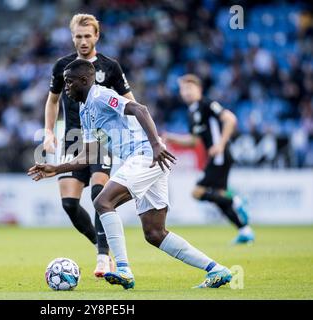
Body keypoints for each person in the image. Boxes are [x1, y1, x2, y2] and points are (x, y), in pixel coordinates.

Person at [29, 60, 233, 289]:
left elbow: (139, 109)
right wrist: (56, 168)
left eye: (69, 82)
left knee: (103, 201)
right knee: (155, 233)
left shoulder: (101, 95)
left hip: (146, 155)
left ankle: (123, 269)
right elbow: (89, 154)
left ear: (85, 80)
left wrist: (156, 145)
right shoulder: (85, 109)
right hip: (146, 160)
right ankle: (217, 270)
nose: (65, 88)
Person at [43, 13, 135, 277]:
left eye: (87, 36)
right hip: (72, 137)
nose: (83, 41)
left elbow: (130, 100)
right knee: (69, 204)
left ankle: (104, 258)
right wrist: (49, 132)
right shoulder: (63, 66)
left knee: (98, 195)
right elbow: (52, 101)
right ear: (72, 37)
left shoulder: (110, 66)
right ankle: (100, 242)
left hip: (102, 138)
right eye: (78, 36)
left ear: (97, 36)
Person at [163, 74, 255, 244]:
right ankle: (245, 230)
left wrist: (220, 144)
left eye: (190, 88)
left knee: (197, 192)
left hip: (220, 155)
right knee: (218, 197)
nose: (186, 92)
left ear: (199, 89)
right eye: (183, 89)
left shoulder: (207, 104)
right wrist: (171, 137)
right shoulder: (192, 112)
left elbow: (230, 119)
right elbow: (193, 141)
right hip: (216, 156)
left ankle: (236, 199)